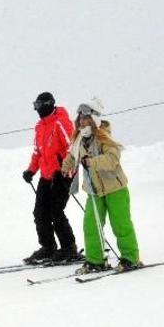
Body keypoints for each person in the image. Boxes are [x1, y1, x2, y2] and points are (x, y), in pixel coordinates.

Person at [61, 99, 142, 274]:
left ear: (94, 119)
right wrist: (65, 165)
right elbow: (73, 156)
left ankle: (131, 258)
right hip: (94, 190)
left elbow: (113, 159)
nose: (82, 121)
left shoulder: (105, 137)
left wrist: (92, 162)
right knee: (91, 225)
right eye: (80, 118)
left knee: (120, 225)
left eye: (86, 118)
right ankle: (95, 261)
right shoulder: (79, 139)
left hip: (115, 188)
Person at [22, 92, 79, 263]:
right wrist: (31, 170)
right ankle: (48, 247)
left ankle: (69, 248)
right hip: (47, 176)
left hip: (62, 175)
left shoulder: (61, 122)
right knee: (40, 212)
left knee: (56, 211)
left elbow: (73, 149)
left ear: (48, 104)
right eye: (35, 105)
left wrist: (65, 172)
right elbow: (38, 152)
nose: (37, 109)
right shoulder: (40, 126)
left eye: (39, 105)